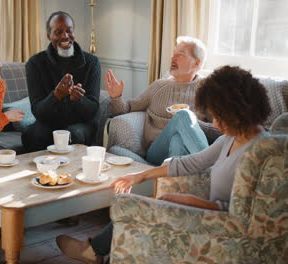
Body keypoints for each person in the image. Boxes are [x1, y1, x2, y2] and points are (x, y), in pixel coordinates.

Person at [56, 65, 271, 263]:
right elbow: (193, 162)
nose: (214, 123)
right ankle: (103, 251)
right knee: (143, 198)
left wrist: (189, 201)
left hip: (219, 225)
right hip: (209, 213)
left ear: (238, 110)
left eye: (218, 116)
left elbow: (246, 213)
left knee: (136, 205)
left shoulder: (259, 151)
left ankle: (95, 251)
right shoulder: (231, 138)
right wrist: (142, 176)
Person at [107, 36, 220, 166]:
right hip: (157, 152)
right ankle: (206, 169)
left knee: (179, 135)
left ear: (196, 63)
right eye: (173, 54)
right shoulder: (159, 86)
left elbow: (220, 131)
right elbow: (126, 109)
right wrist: (116, 97)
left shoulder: (207, 91)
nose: (173, 59)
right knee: (114, 151)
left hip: (187, 155)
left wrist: (190, 122)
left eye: (180, 55)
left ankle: (165, 179)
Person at [21, 11, 101, 152]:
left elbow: (93, 110)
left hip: (80, 123)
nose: (65, 36)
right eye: (58, 32)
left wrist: (79, 100)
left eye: (69, 31)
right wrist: (56, 96)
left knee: (73, 135)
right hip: (47, 123)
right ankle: (43, 173)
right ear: (49, 35)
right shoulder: (35, 63)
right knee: (32, 135)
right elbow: (38, 111)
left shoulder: (92, 63)